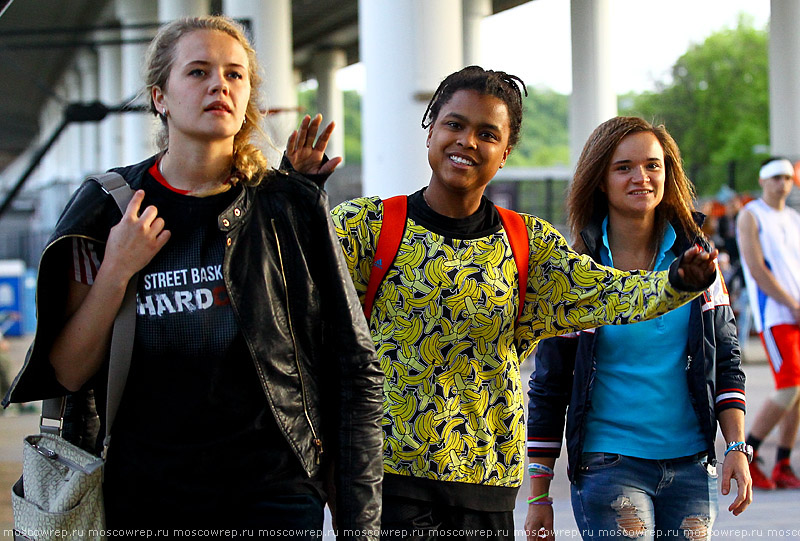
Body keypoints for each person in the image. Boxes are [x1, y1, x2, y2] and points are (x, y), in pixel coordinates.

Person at [2, 16, 383, 537]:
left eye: (234, 75)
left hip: (273, 492)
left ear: (248, 94)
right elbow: (67, 374)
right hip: (144, 493)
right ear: (160, 96)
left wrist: (359, 517)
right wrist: (117, 267)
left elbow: (353, 363)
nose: (219, 86)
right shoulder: (108, 206)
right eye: (198, 72)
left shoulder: (288, 207)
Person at [331, 67, 719, 541]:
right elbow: (291, 296)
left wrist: (676, 282)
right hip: (383, 476)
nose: (468, 142)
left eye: (487, 134)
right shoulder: (365, 226)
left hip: (485, 479)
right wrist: (298, 193)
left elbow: (605, 292)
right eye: (454, 124)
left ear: (505, 152)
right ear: (430, 128)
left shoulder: (527, 244)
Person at [525, 117, 751, 541]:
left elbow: (727, 360)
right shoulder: (578, 272)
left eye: (652, 165)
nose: (641, 177)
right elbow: (550, 385)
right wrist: (539, 496)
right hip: (609, 464)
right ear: (600, 180)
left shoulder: (699, 261)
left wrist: (736, 446)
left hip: (692, 466)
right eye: (623, 167)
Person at [736, 156, 800, 490]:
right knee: (789, 386)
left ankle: (783, 463)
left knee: (798, 392)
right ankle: (748, 453)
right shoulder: (752, 215)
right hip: (776, 315)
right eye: (775, 177)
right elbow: (756, 268)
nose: (782, 184)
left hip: (796, 312)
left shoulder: (792, 217)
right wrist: (792, 304)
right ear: (763, 181)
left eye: (787, 178)